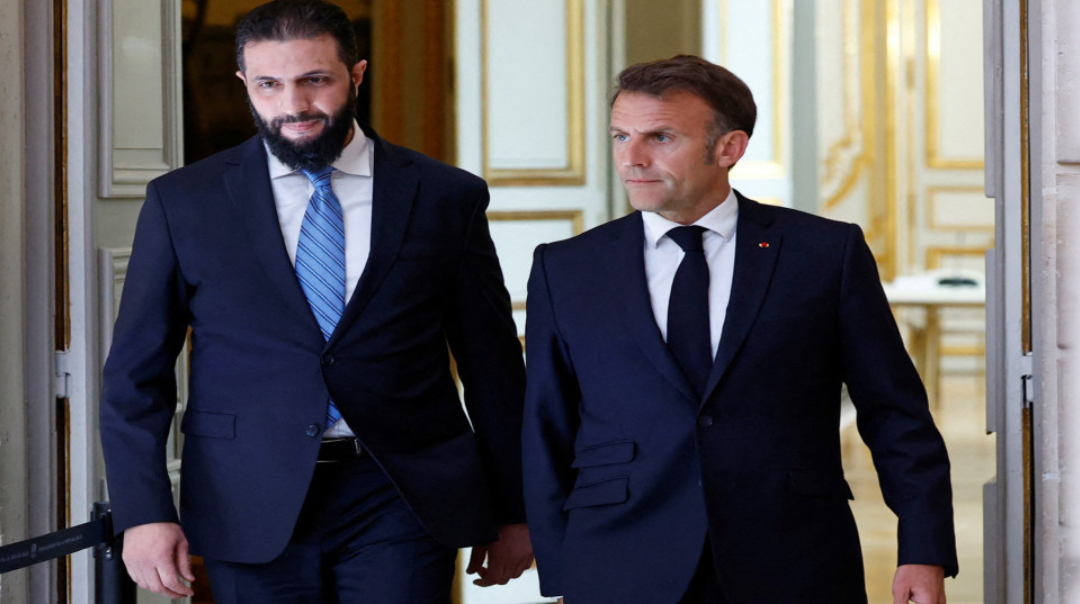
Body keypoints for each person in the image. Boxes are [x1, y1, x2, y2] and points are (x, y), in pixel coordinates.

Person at [99, 1, 532, 601]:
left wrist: (515, 508)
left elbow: (494, 367)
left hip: (403, 494)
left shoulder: (444, 196)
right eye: (269, 85)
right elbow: (135, 373)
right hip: (246, 493)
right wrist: (143, 512)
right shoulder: (184, 202)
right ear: (244, 83)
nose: (294, 104)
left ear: (356, 75)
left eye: (315, 80)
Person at [522, 55, 957, 604]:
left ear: (729, 148)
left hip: (793, 557)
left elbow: (894, 412)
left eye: (660, 137)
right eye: (621, 136)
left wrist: (923, 548)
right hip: (620, 559)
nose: (631, 158)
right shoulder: (566, 267)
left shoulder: (825, 253)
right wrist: (562, 573)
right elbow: (546, 426)